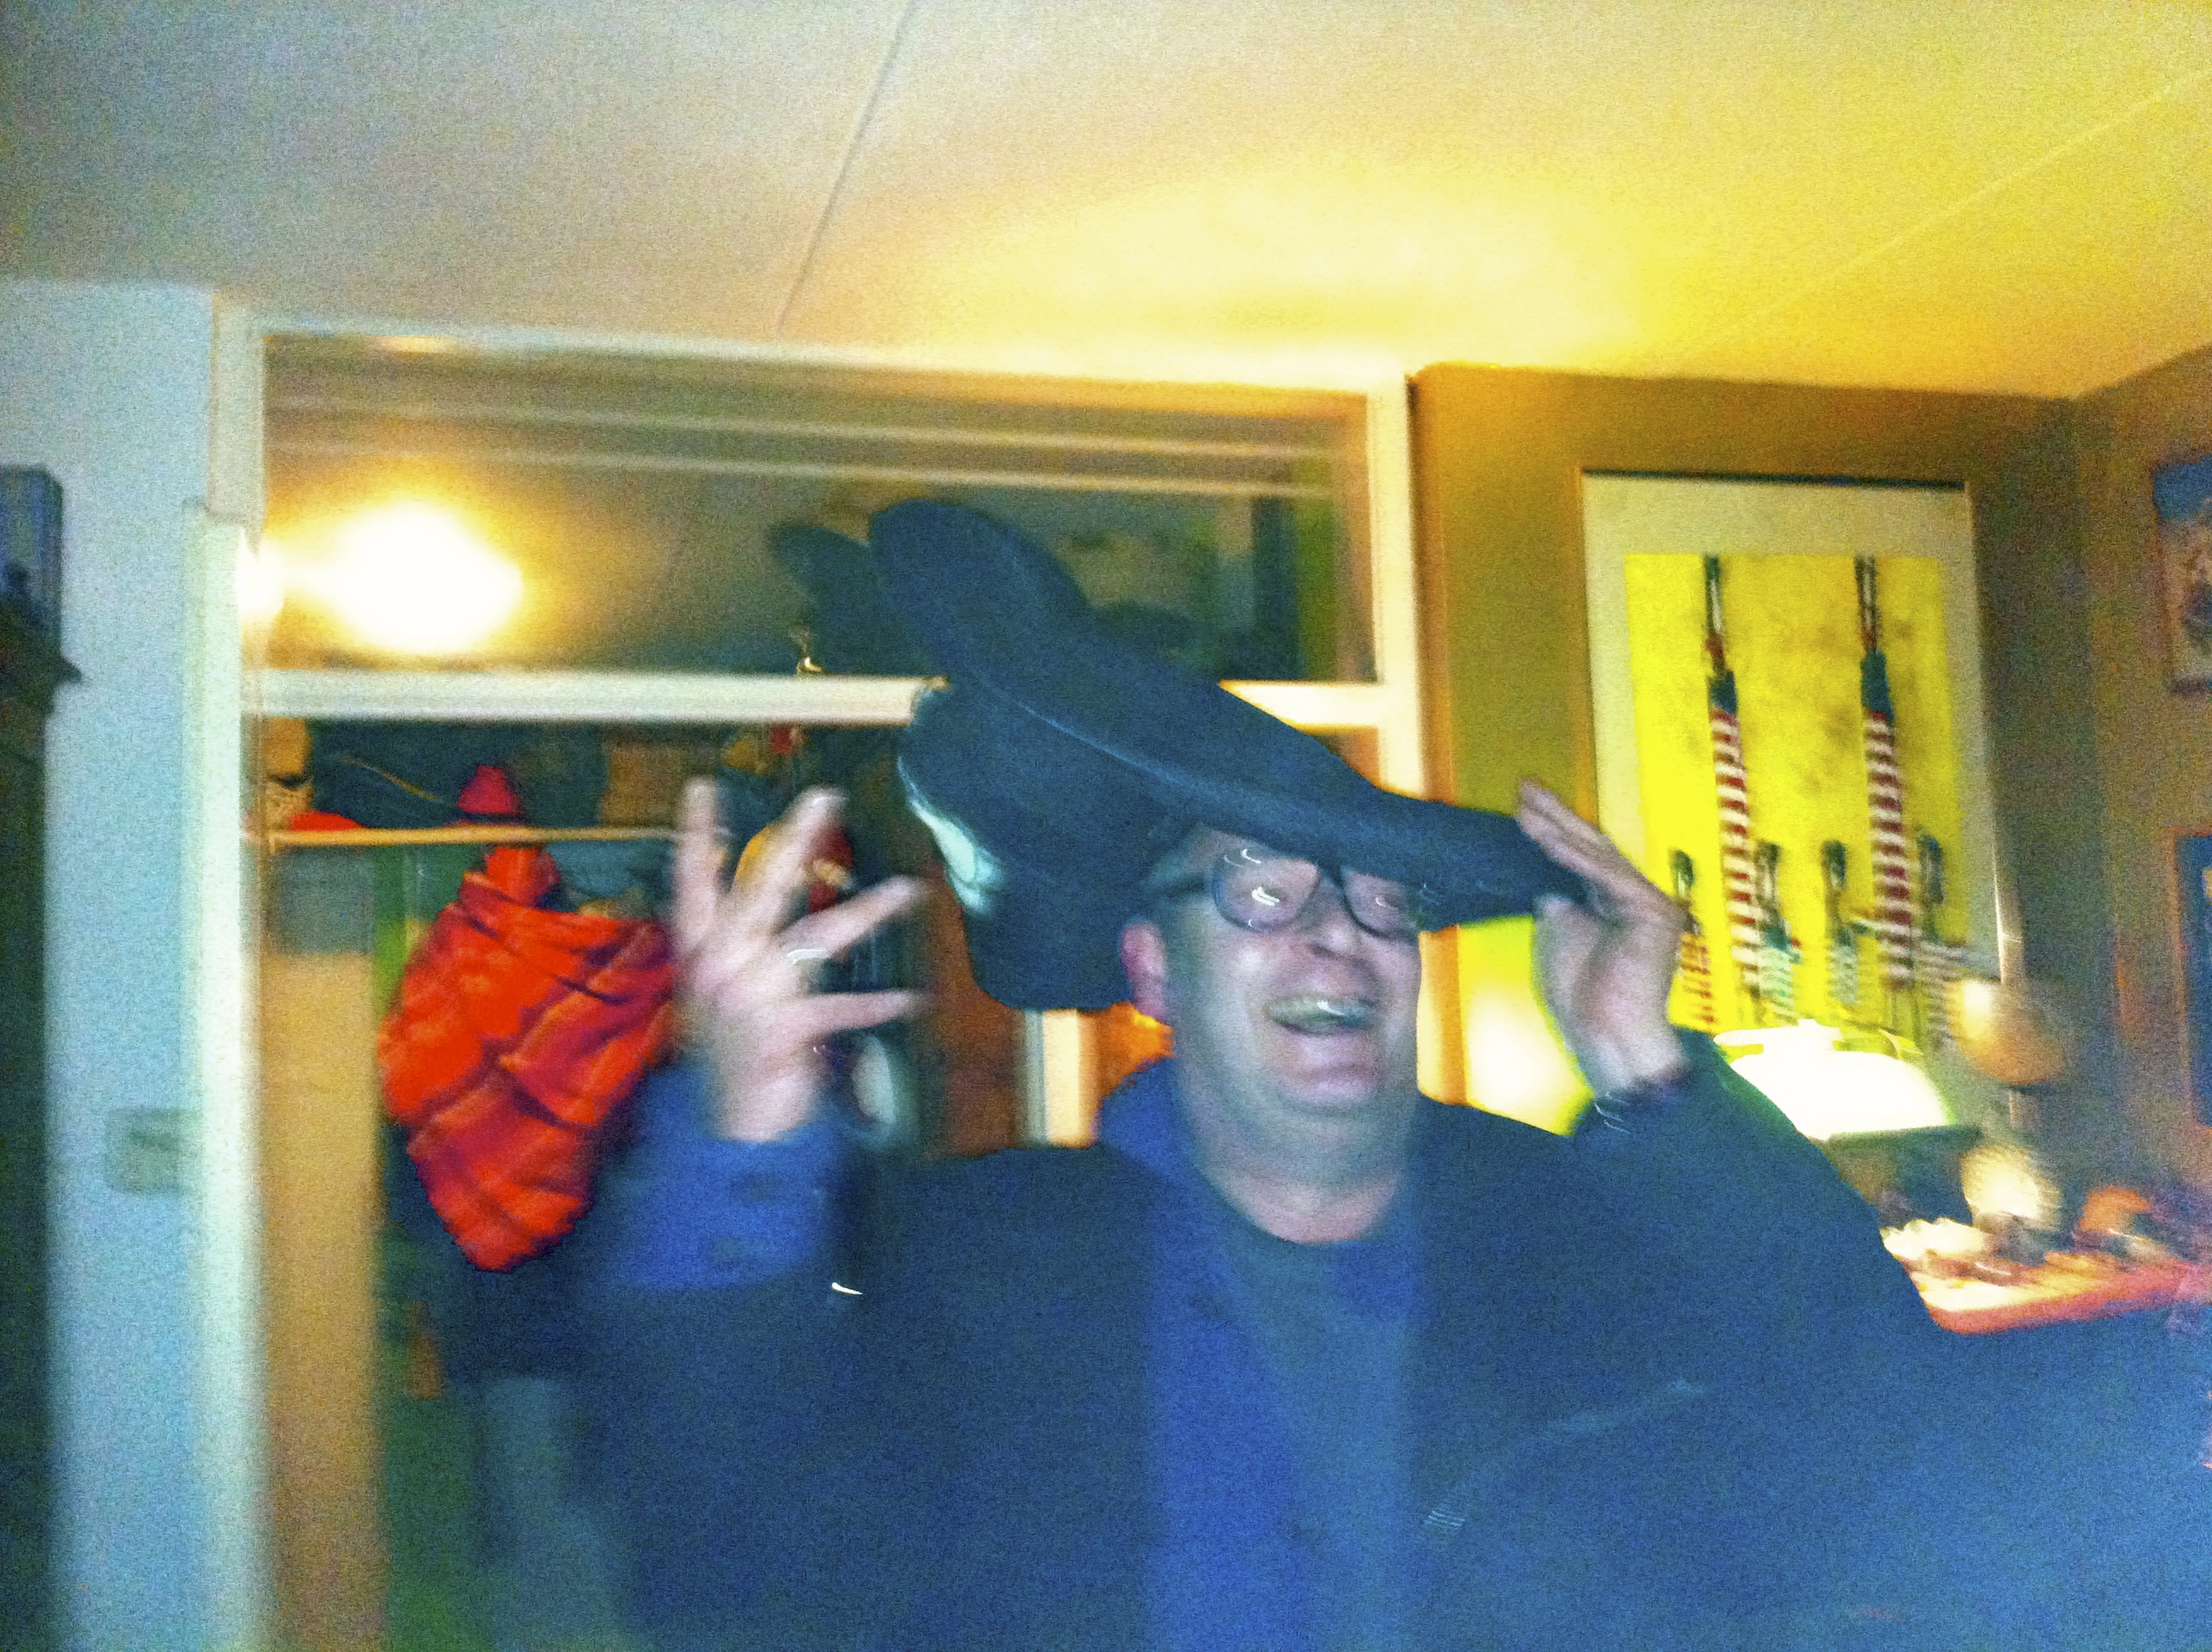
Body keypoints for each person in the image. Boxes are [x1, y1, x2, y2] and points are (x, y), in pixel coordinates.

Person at [579, 504, 2001, 1649]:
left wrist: (1648, 1066)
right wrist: (736, 1145)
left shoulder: (1576, 1226)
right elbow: (725, 1563)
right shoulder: (980, 1261)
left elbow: (1889, 1449)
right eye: (1262, 891)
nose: (1339, 932)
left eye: (1382, 898)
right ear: (1152, 969)